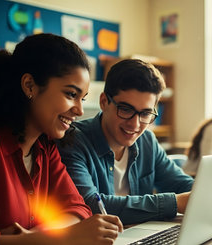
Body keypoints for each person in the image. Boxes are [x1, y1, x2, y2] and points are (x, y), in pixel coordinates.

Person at [0, 33, 123, 245]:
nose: (79, 110)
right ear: (30, 85)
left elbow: (78, 209)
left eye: (82, 98)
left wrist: (33, 238)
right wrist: (65, 236)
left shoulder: (44, 147)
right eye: (70, 94)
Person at [57, 59, 196, 225]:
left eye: (145, 114)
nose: (135, 124)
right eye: (125, 109)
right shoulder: (73, 140)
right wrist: (174, 203)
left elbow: (181, 183)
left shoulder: (147, 141)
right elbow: (90, 205)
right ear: (103, 102)